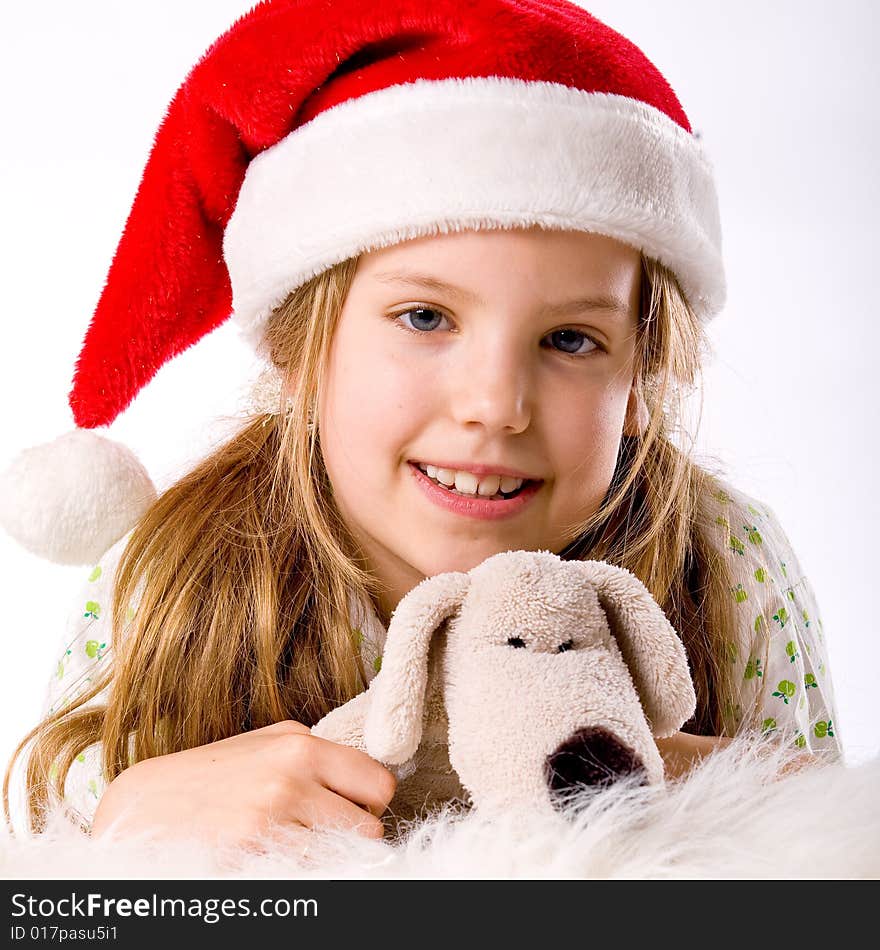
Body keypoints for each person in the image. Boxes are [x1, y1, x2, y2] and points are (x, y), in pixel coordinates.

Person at [1, 0, 841, 853]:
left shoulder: (722, 557)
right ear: (300, 351)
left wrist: (668, 784)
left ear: (640, 380)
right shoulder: (168, 576)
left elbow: (831, 854)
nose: (495, 405)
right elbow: (48, 862)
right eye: (425, 318)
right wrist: (127, 812)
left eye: (571, 339)